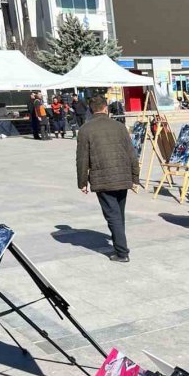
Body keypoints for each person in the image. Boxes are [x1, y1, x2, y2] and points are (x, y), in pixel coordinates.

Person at [76, 95, 140, 263]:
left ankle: (121, 252)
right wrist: (135, 177)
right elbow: (132, 153)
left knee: (113, 215)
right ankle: (120, 244)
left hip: (102, 180)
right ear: (106, 108)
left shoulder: (85, 129)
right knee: (118, 214)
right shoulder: (119, 127)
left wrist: (82, 182)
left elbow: (82, 158)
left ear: (91, 110)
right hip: (122, 177)